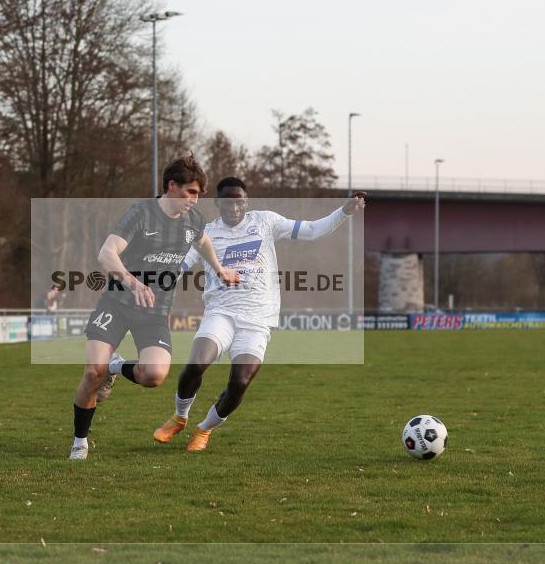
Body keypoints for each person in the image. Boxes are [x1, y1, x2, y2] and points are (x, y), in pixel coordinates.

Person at [153, 177, 366, 451]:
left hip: (258, 320)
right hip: (221, 313)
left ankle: (204, 429)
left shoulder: (265, 222)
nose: (234, 207)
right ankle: (179, 417)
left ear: (246, 202)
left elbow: (311, 230)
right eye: (228, 202)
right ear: (218, 203)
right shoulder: (206, 232)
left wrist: (344, 211)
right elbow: (181, 263)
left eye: (239, 201)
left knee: (239, 382)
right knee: (195, 365)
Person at [68, 154, 240, 460]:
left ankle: (115, 367)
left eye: (199, 194)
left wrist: (219, 268)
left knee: (155, 375)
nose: (195, 200)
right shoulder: (141, 213)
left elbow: (203, 242)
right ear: (172, 186)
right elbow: (106, 254)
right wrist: (133, 282)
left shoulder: (193, 221)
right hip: (118, 302)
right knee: (93, 371)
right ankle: (80, 441)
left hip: (155, 311)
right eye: (191, 192)